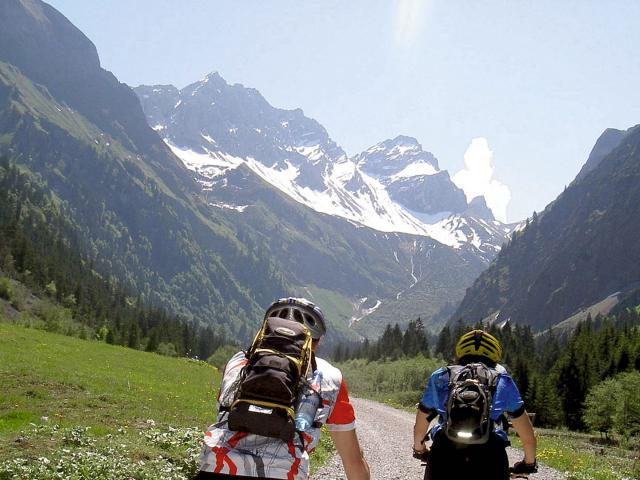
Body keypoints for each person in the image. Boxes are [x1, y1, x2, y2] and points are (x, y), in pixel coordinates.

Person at [196, 297, 370, 480]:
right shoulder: (330, 376)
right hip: (283, 472)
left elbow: (222, 412)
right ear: (316, 342)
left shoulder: (238, 362)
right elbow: (353, 461)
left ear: (266, 332)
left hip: (216, 466)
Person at [412, 329, 537, 479]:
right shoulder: (503, 380)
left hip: (444, 450)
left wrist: (420, 450)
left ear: (460, 352)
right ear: (494, 355)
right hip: (491, 455)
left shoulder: (440, 376)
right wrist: (528, 464)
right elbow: (527, 437)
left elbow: (421, 422)